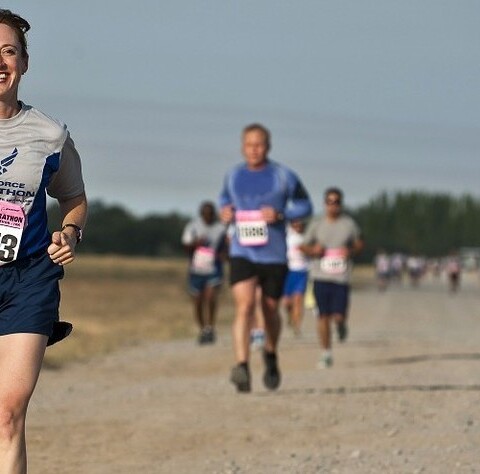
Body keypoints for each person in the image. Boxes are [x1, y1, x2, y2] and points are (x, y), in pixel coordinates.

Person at [0, 10, 87, 472]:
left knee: (8, 415)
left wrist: (71, 232)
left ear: (24, 63)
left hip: (27, 279)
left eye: (8, 51)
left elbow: (73, 196)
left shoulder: (49, 134)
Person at [219, 123, 312, 392]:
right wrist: (225, 212)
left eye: (259, 145)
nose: (254, 150)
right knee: (245, 306)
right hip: (242, 252)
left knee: (270, 310)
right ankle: (242, 366)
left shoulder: (284, 176)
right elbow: (224, 201)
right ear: (242, 147)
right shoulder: (233, 175)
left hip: (273, 255)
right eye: (249, 145)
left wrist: (283, 215)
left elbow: (305, 205)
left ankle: (270, 354)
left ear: (268, 147)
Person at [301, 187, 363, 369]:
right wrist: (313, 250)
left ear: (341, 204)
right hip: (320, 276)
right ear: (324, 203)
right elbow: (303, 246)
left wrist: (350, 251)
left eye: (336, 202)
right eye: (329, 202)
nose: (333, 205)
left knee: (338, 316)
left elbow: (360, 243)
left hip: (341, 278)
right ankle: (326, 352)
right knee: (322, 316)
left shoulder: (348, 224)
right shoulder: (317, 224)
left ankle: (341, 325)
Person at [181, 201, 227, 344]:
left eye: (211, 214)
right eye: (205, 214)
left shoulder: (221, 228)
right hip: (196, 270)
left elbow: (227, 246)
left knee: (211, 297)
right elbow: (185, 245)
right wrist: (196, 243)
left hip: (214, 269)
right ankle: (202, 329)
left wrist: (224, 255)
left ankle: (210, 327)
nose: (208, 216)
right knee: (198, 301)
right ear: (201, 214)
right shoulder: (192, 226)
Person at [282, 219, 309, 335]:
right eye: (295, 223)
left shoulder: (307, 236)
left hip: (302, 271)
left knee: (298, 299)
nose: (298, 226)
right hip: (288, 271)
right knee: (287, 302)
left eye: (300, 223)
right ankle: (290, 316)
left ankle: (297, 326)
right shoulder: (287, 234)